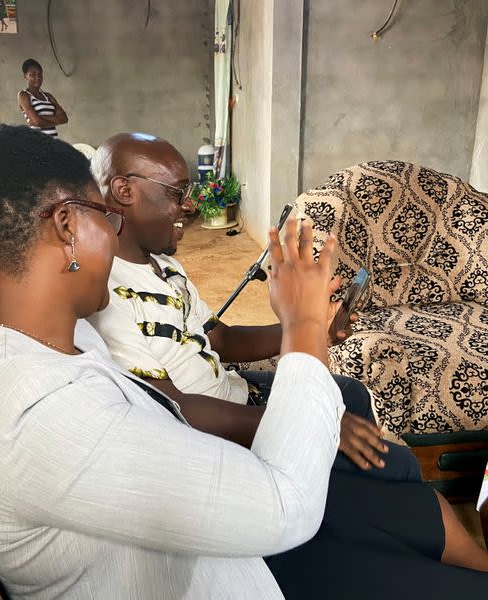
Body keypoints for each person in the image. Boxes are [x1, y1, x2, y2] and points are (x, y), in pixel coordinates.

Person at [0, 124, 488, 600]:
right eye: (101, 216)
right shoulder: (36, 418)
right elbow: (285, 509)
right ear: (66, 225)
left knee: (391, 501)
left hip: (215, 536)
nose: (112, 235)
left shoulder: (37, 346)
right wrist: (303, 328)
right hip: (238, 566)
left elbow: (169, 399)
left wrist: (301, 337)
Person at [88, 132, 418, 481]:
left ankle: (353, 492)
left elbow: (223, 340)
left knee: (348, 393)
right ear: (125, 191)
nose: (189, 205)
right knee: (397, 467)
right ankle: (344, 492)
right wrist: (303, 418)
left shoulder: (165, 268)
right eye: (177, 192)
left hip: (232, 395)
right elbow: (171, 408)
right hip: (205, 433)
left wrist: (307, 327)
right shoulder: (106, 291)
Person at [18, 59, 68, 139]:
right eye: (33, 74)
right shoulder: (23, 95)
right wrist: (56, 121)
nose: (37, 77)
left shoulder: (48, 96)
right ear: (25, 76)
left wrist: (41, 117)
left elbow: (64, 118)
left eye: (40, 74)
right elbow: (36, 122)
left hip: (54, 143)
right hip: (37, 145)